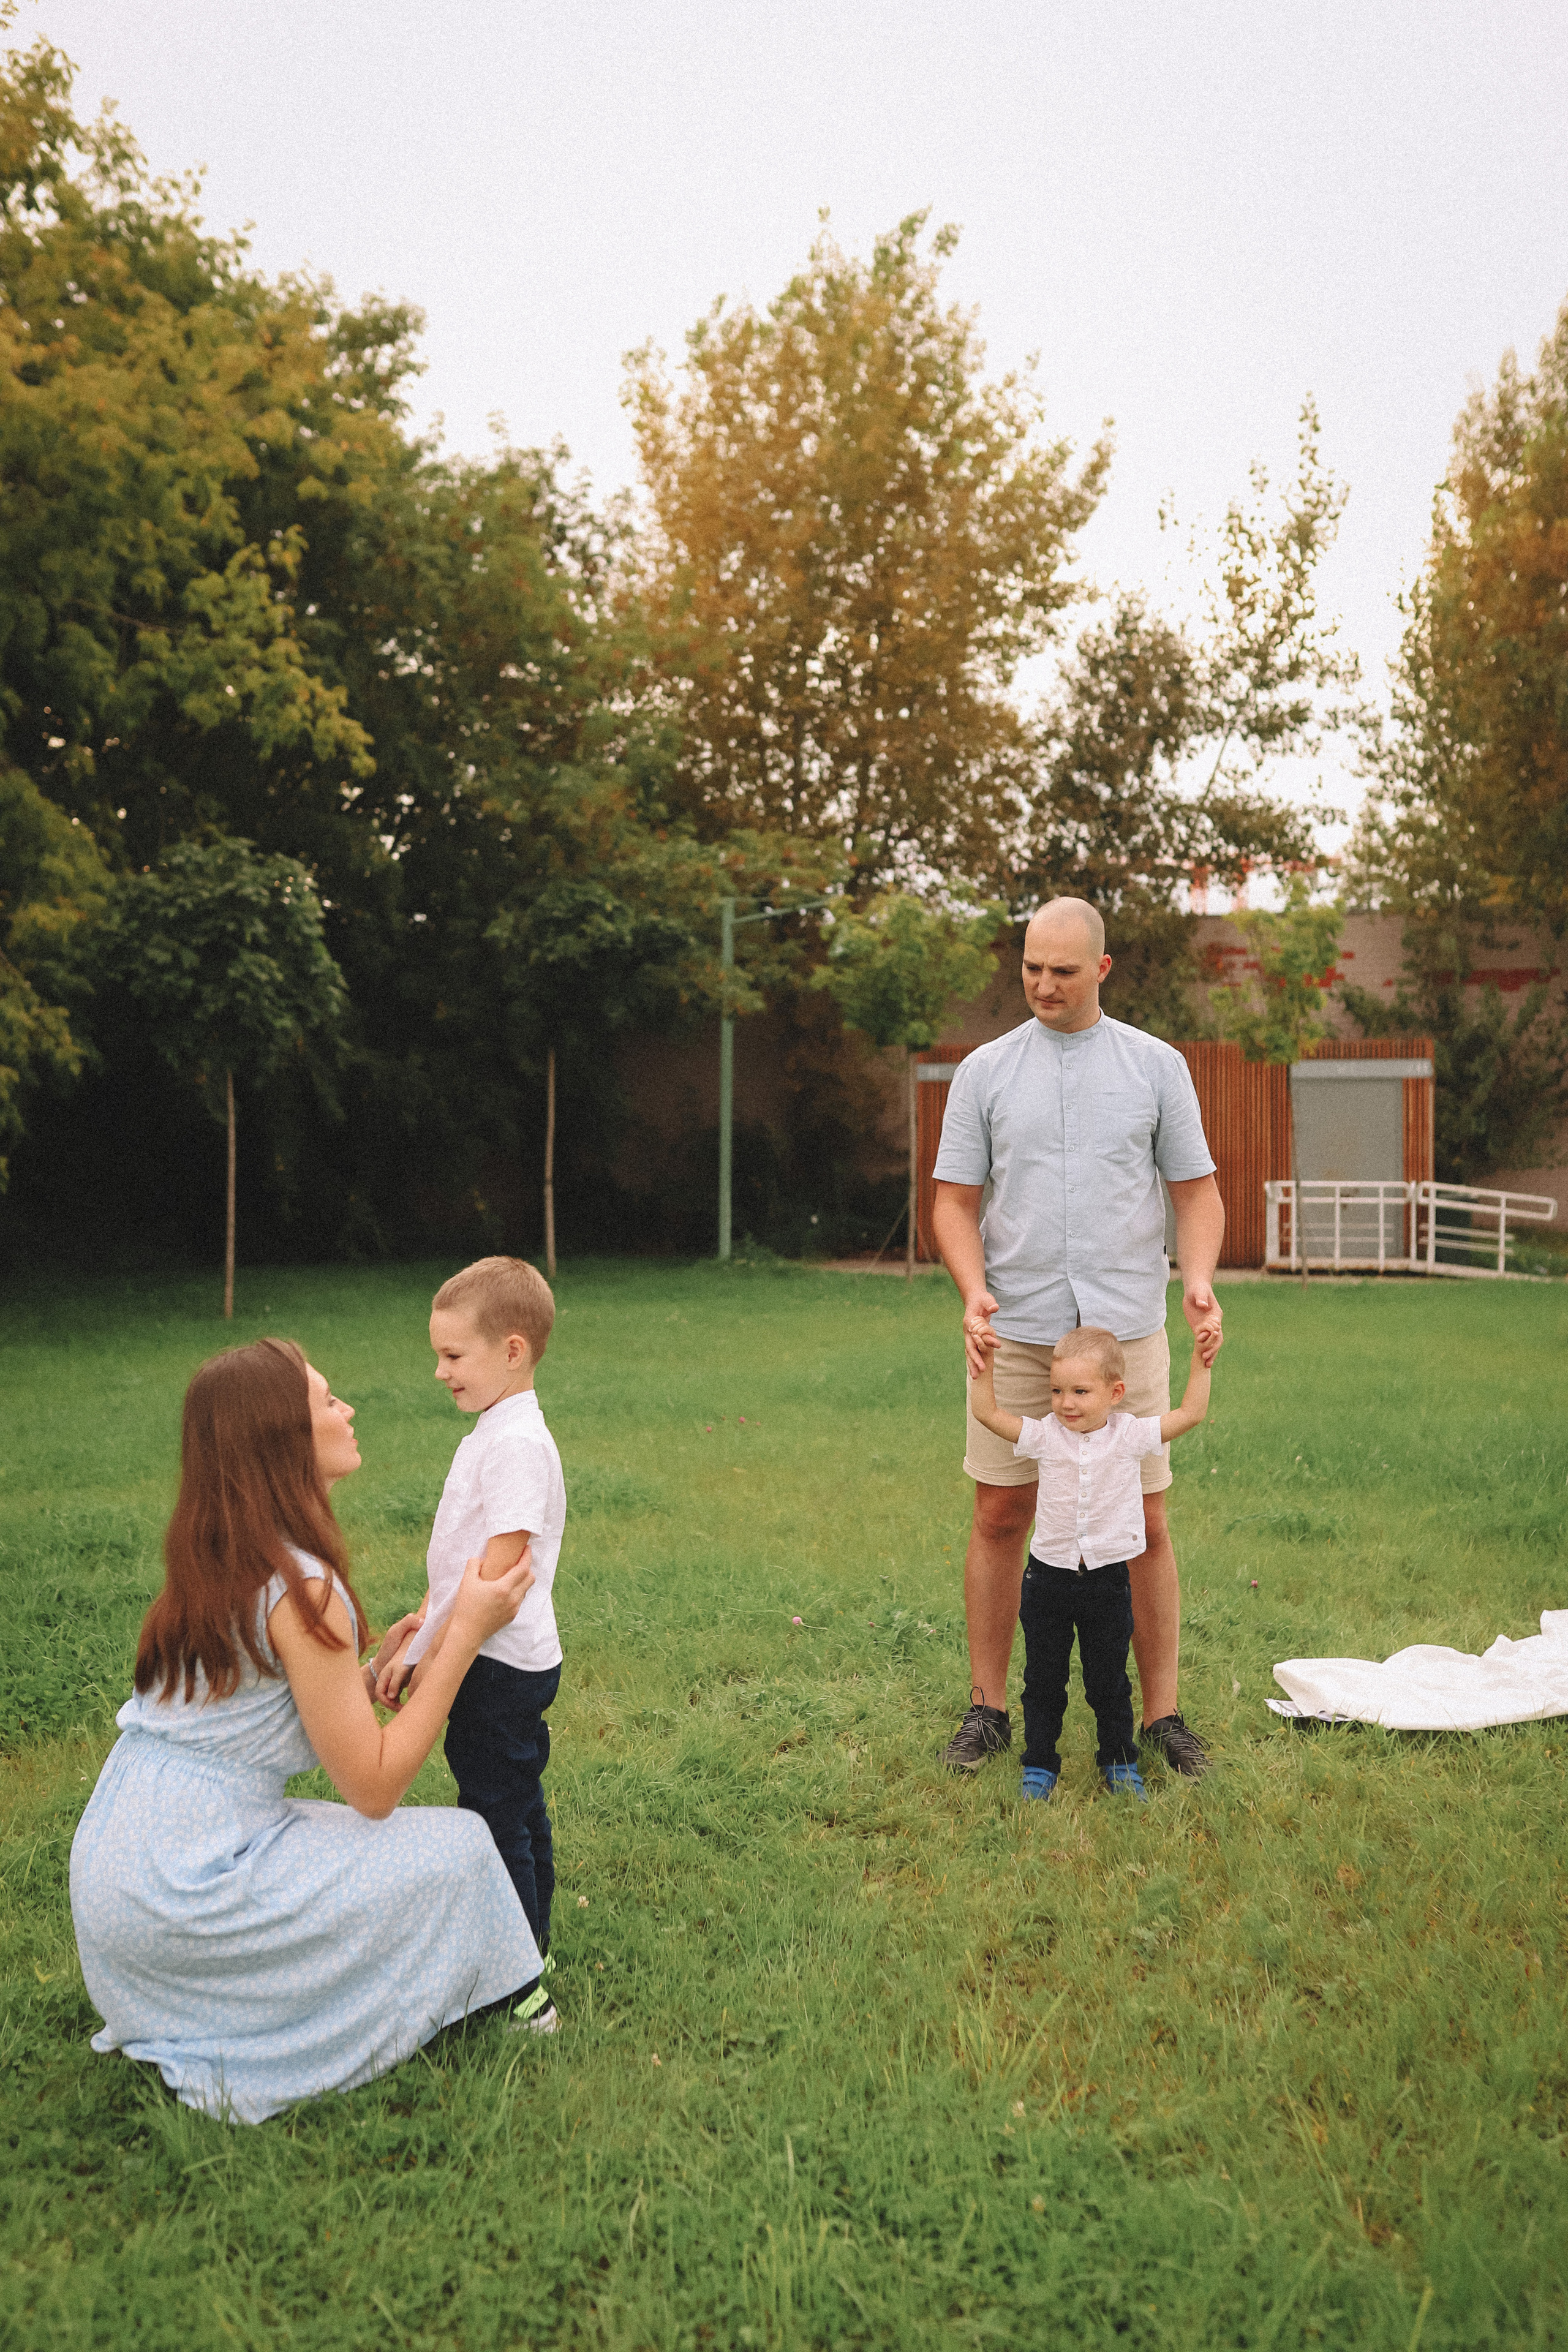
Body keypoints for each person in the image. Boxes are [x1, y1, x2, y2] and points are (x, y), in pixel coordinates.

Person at [69, 1338, 548, 2128]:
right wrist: (466, 1632)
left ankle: (220, 1997)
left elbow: (249, 1721)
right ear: (283, 1439)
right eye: (327, 1401)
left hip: (122, 1883)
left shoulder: (220, 1555)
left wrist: (368, 1676)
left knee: (358, 1845)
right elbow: (375, 1786)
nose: (347, 1409)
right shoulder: (304, 1587)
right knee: (464, 1848)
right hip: (188, 1891)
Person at [931, 897, 1225, 1779]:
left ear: (1102, 969)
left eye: (1063, 971)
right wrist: (974, 1292)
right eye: (1031, 967)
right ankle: (988, 1710)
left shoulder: (1156, 1066)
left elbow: (1196, 1193)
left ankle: (1162, 1715)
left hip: (1124, 1333)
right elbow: (953, 1203)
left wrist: (1199, 1279)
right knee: (999, 1513)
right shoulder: (984, 1072)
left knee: (1146, 1521)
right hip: (1016, 1333)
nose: (1043, 984)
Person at [374, 1256, 565, 1958]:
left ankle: (514, 1967)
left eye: (453, 1356)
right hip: (490, 1654)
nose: (440, 1371)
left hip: (499, 1664)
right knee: (514, 1798)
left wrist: (435, 1658)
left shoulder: (515, 1443)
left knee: (493, 1812)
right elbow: (459, 1565)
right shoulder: (496, 1430)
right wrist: (420, 1637)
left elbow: (496, 1572)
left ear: (512, 1351)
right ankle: (532, 1941)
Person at [970, 1325, 1212, 1800]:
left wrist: (1202, 1361)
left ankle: (1120, 1762)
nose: (1066, 1403)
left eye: (1080, 1392)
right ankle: (1039, 1764)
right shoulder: (1044, 1435)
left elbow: (1191, 1414)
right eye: (1057, 1391)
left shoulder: (1130, 1435)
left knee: (1109, 1683)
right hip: (1047, 1582)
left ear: (1115, 1393)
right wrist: (985, 1362)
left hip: (1107, 1582)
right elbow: (987, 1413)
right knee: (1043, 1682)